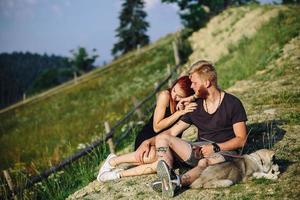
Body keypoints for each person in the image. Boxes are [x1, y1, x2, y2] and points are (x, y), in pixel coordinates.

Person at [149, 60, 248, 197]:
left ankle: (177, 182)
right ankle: (166, 175)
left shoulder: (233, 103)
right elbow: (172, 132)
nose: (191, 86)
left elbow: (241, 140)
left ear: (207, 83)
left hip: (225, 151)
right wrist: (147, 142)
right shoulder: (195, 105)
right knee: (162, 138)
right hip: (199, 148)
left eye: (194, 83)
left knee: (204, 162)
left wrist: (216, 147)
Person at [97, 76, 196, 182]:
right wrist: (178, 113)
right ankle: (113, 161)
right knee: (154, 156)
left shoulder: (186, 105)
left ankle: (117, 174)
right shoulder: (165, 96)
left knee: (161, 164)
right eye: (174, 90)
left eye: (179, 96)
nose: (174, 95)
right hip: (149, 138)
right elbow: (157, 127)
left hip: (166, 142)